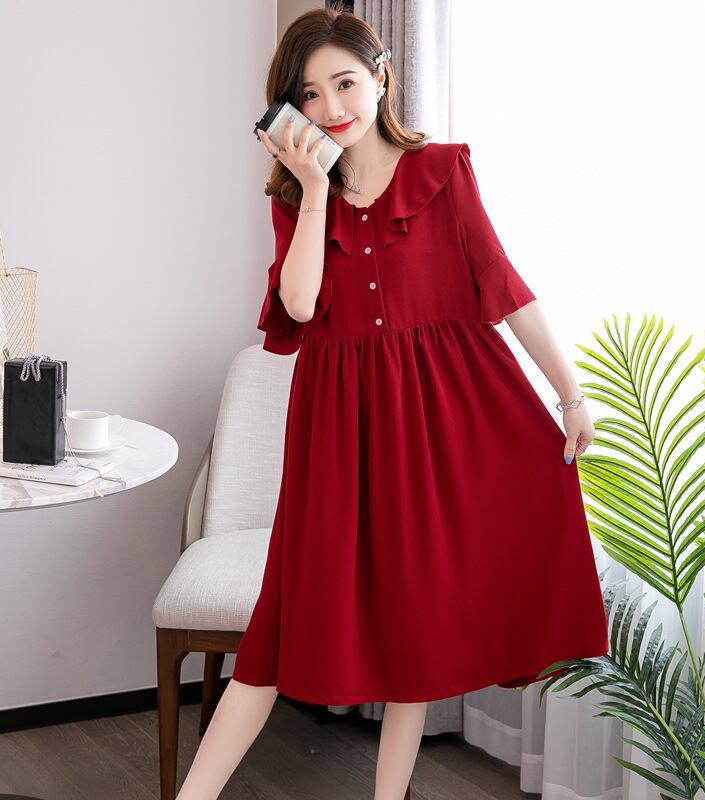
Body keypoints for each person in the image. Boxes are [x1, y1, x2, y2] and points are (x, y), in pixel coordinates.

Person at [176, 4, 609, 799]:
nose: (331, 107)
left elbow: (505, 287)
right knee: (274, 634)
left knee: (417, 624)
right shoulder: (295, 198)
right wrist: (315, 188)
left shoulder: (443, 171)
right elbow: (299, 305)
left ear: (381, 78)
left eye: (345, 83)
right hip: (337, 435)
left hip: (444, 418)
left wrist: (569, 393)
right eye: (309, 95)